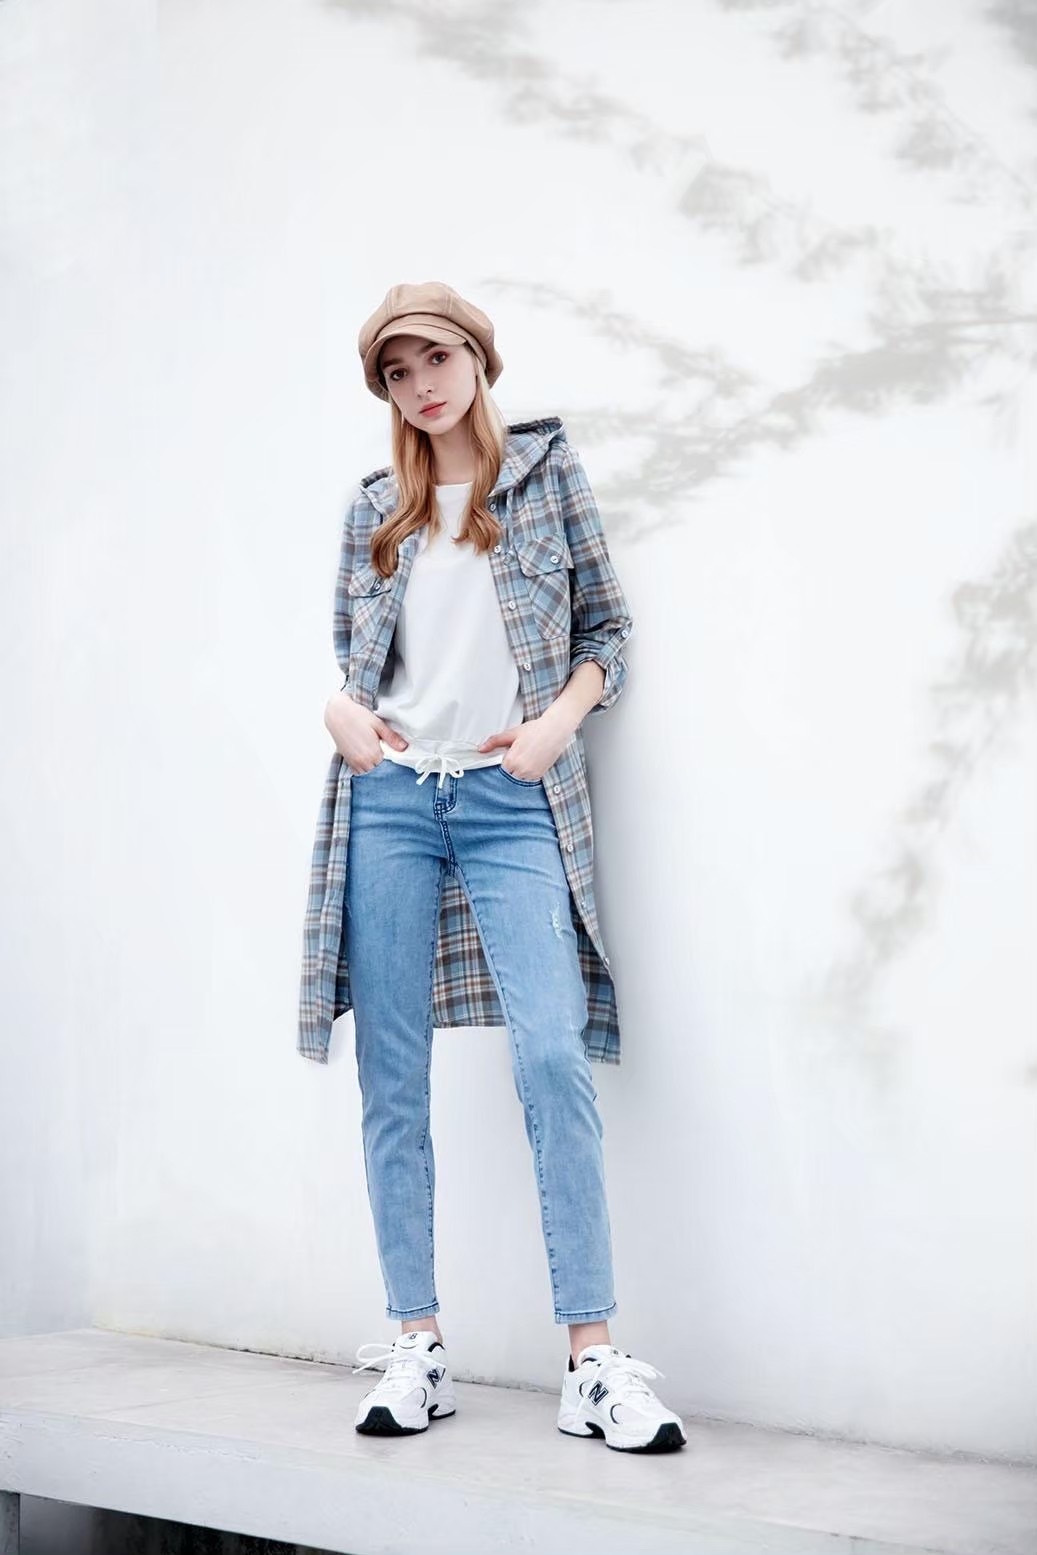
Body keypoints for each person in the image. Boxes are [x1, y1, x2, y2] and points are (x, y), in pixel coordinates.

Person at [306, 281, 686, 1452]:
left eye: (436, 358)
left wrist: (554, 726)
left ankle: (590, 1360)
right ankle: (415, 1344)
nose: (420, 385)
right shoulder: (373, 509)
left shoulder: (544, 475)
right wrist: (337, 711)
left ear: (477, 358)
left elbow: (605, 631)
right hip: (390, 800)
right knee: (393, 1075)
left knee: (550, 1056)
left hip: (510, 798)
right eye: (398, 372)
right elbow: (356, 666)